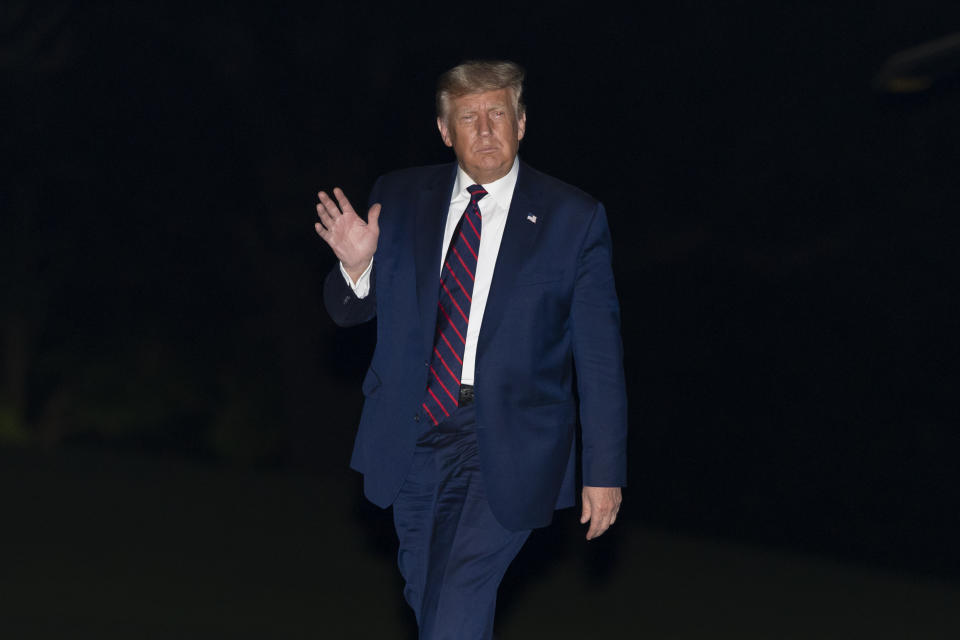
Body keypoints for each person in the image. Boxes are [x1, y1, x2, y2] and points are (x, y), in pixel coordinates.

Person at [314, 60, 627, 639]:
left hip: (508, 442)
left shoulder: (572, 219)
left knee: (456, 601)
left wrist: (603, 470)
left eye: (498, 114)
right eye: (468, 117)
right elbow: (345, 311)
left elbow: (600, 356)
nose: (485, 130)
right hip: (413, 432)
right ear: (444, 130)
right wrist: (357, 267)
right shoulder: (401, 197)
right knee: (430, 597)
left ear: (522, 122)